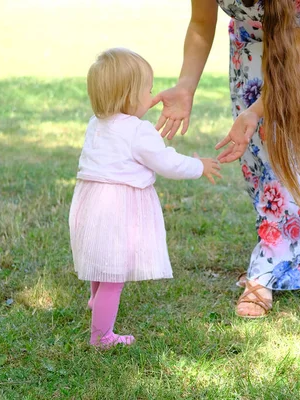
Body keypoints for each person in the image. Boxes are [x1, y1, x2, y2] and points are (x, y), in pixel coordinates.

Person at [153, 0, 300, 318]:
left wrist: (255, 112)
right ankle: (285, 251)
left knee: (297, 150)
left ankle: (264, 272)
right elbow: (200, 23)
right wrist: (185, 87)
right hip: (252, 39)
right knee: (255, 153)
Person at [69, 48, 221, 347]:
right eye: (148, 90)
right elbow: (167, 162)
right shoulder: (139, 131)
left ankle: (95, 301)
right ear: (129, 96)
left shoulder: (95, 123)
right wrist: (198, 166)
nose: (152, 96)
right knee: (114, 274)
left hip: (90, 203)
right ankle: (102, 337)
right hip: (118, 208)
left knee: (102, 259)